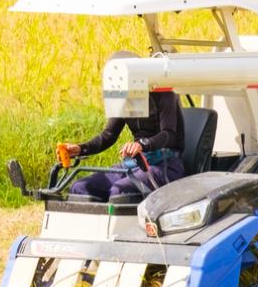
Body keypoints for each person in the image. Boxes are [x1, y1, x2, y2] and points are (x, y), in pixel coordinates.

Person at [60, 58, 185, 202]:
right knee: (80, 188)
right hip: (134, 164)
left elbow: (169, 134)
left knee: (120, 191)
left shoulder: (165, 95)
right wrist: (80, 149)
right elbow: (108, 135)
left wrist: (142, 144)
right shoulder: (125, 98)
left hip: (165, 165)